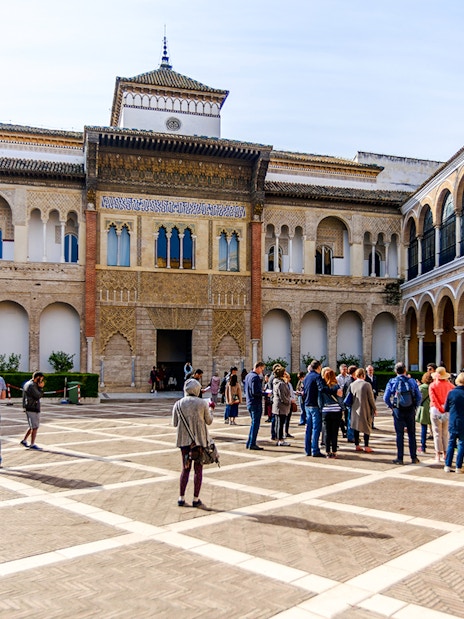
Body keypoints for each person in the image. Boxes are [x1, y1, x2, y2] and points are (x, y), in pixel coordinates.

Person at [172, 378, 213, 507]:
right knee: (198, 469)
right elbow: (209, 421)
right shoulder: (202, 403)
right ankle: (196, 498)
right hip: (199, 442)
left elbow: (174, 423)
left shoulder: (178, 404)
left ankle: (181, 497)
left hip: (184, 441)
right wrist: (210, 410)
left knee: (185, 468)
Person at [384, 362, 422, 465]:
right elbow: (419, 397)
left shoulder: (392, 381)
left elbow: (386, 397)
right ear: (405, 370)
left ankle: (400, 458)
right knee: (412, 434)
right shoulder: (412, 381)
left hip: (398, 410)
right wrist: (415, 406)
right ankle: (414, 457)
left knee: (399, 434)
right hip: (410, 409)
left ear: (396, 371)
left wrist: (391, 406)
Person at [429, 366, 454, 462]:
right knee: (445, 433)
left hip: (436, 410)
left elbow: (433, 399)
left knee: (436, 433)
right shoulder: (450, 386)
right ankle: (445, 453)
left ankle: (437, 454)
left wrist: (440, 408)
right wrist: (445, 408)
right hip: (447, 410)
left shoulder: (432, 385)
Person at [348, 368, 376, 453]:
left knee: (356, 427)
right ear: (363, 375)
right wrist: (374, 408)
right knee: (367, 427)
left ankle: (357, 445)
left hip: (355, 408)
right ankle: (366, 446)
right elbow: (371, 398)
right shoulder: (367, 384)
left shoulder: (352, 384)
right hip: (365, 408)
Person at [303, 359, 327, 457]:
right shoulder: (317, 377)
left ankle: (307, 449)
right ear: (318, 367)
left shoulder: (307, 377)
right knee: (316, 428)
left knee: (308, 428)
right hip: (315, 405)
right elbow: (321, 388)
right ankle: (315, 450)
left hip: (307, 404)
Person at [319, 367, 343, 458]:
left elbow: (320, 400)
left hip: (326, 410)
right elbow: (340, 399)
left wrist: (321, 409)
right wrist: (342, 408)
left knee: (327, 432)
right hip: (336, 410)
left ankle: (327, 451)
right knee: (335, 432)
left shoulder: (323, 387)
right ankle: (334, 451)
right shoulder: (336, 386)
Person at [443, 372, 464, 473]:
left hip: (453, 420)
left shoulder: (451, 393)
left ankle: (447, 465)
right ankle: (458, 467)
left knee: (451, 443)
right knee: (462, 444)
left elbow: (446, 408)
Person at [244, 361, 266, 450]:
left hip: (249, 402)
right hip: (255, 403)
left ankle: (249, 442)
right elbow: (255, 392)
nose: (261, 371)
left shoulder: (248, 376)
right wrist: (264, 394)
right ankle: (252, 443)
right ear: (258, 367)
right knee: (255, 424)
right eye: (261, 369)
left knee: (253, 423)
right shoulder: (255, 377)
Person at [21, 371, 45, 450]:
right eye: (41, 379)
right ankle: (32, 444)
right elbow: (38, 395)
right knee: (35, 427)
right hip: (32, 407)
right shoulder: (32, 385)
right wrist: (41, 388)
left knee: (32, 426)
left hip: (30, 406)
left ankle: (24, 440)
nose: (41, 381)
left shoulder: (29, 384)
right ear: (37, 377)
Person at [272, 366, 291, 446]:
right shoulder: (281, 384)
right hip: (281, 406)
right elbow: (283, 396)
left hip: (277, 405)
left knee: (278, 423)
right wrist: (288, 401)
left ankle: (278, 438)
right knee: (280, 423)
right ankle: (280, 439)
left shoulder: (276, 382)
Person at [416, 372, 432, 453]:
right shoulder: (433, 386)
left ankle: (423, 446)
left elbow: (419, 399)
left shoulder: (421, 387)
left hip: (424, 409)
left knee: (423, 428)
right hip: (432, 407)